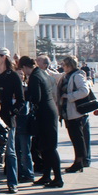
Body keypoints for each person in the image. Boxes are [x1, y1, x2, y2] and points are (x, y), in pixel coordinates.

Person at [19, 56, 63, 187]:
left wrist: (23, 93)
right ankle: (47, 175)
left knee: (49, 147)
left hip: (45, 114)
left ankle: (58, 178)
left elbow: (36, 97)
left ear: (25, 67)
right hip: (49, 111)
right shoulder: (41, 73)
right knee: (45, 147)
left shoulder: (35, 76)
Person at [0, 47, 25, 192]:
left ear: (3, 57)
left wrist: (13, 111)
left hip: (7, 117)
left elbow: (21, 100)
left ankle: (12, 182)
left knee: (10, 151)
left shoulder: (13, 76)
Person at [58, 56, 91, 173]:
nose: (62, 66)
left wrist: (69, 96)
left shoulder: (77, 75)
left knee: (78, 138)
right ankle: (78, 161)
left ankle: (79, 162)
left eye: (64, 64)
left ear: (69, 65)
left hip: (76, 112)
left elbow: (84, 91)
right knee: (75, 138)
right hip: (68, 112)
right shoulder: (67, 75)